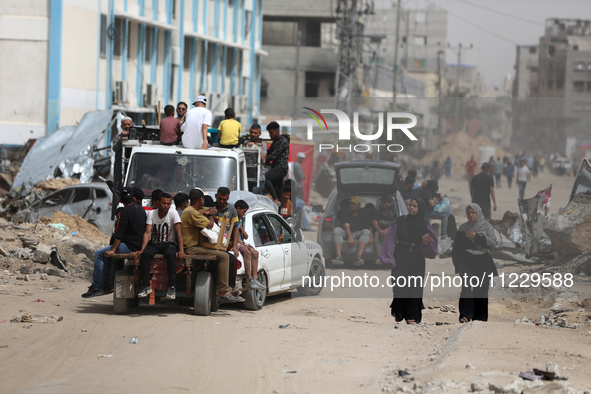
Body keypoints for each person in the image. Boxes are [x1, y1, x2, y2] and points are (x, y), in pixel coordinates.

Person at [379, 198, 438, 324]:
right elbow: (390, 239)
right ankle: (399, 312)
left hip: (417, 259)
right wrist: (389, 257)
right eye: (410, 205)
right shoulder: (400, 221)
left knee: (414, 287)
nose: (411, 208)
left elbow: (432, 250)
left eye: (415, 206)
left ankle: (412, 315)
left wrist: (426, 243)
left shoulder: (425, 224)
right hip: (400, 256)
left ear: (420, 208)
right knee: (399, 285)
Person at [82, 187, 146, 298]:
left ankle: (96, 286)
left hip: (129, 247)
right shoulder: (140, 209)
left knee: (99, 254)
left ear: (120, 200)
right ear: (134, 198)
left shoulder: (125, 211)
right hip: (138, 245)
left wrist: (113, 250)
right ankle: (104, 285)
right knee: (106, 255)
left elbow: (120, 232)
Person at [181, 188, 241, 302]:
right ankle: (223, 289)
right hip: (192, 248)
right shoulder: (191, 212)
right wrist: (210, 214)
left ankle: (226, 286)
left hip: (195, 246)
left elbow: (208, 209)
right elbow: (210, 225)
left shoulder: (192, 210)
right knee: (224, 256)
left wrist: (207, 211)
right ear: (201, 199)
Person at [452, 203, 498, 323]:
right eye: (469, 213)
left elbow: (494, 244)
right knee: (466, 287)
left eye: (473, 213)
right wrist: (459, 266)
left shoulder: (487, 227)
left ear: (478, 213)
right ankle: (465, 315)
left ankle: (479, 317)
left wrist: (476, 236)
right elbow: (456, 249)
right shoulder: (463, 228)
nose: (471, 215)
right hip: (466, 261)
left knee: (481, 289)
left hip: (482, 261)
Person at [134, 193, 185, 299]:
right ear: (158, 203)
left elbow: (179, 232)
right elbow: (147, 232)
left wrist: (181, 250)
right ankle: (146, 286)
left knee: (171, 255)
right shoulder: (152, 214)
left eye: (168, 204)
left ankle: (171, 286)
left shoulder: (173, 213)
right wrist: (142, 249)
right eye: (164, 203)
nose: (166, 206)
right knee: (146, 255)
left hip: (169, 244)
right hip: (155, 243)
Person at [332, 196, 372, 267]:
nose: (352, 205)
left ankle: (358, 257)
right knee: (337, 230)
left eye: (354, 204)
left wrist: (371, 237)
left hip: (358, 233)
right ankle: (338, 257)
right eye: (351, 203)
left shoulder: (364, 213)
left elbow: (369, 227)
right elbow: (346, 226)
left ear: (359, 206)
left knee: (366, 231)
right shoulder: (345, 212)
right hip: (347, 232)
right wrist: (350, 237)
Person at [233, 200, 265, 290]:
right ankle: (249, 279)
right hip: (236, 242)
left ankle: (255, 278)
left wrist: (242, 230)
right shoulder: (232, 219)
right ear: (238, 209)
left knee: (255, 253)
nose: (243, 214)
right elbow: (234, 237)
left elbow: (245, 236)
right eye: (243, 212)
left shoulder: (238, 221)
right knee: (247, 252)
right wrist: (244, 245)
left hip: (241, 242)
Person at [264, 121, 289, 205]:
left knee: (266, 178)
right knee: (279, 191)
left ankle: (275, 199)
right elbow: (269, 151)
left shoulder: (283, 141)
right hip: (276, 167)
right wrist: (261, 151)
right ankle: (279, 210)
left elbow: (273, 155)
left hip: (281, 167)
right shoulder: (276, 141)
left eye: (271, 133)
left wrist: (264, 160)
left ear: (277, 131)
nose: (270, 135)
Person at [242, 124, 267, 192]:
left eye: (255, 133)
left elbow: (262, 159)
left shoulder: (263, 144)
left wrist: (254, 147)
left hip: (259, 179)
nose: (253, 134)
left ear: (260, 134)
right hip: (246, 178)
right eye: (251, 132)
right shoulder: (245, 143)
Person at [372, 196, 396, 265]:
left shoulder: (392, 214)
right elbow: (374, 221)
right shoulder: (377, 212)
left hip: (389, 232)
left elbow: (394, 224)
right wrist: (380, 231)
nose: (382, 204)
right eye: (382, 202)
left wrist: (387, 230)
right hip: (379, 231)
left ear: (389, 204)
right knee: (376, 234)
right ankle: (379, 257)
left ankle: (389, 257)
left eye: (384, 202)